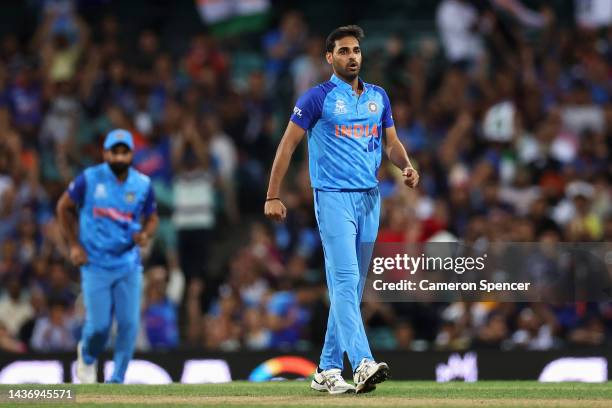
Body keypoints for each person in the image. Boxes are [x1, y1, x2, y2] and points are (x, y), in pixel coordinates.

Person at [264, 25, 419, 394]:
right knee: (347, 283)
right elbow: (286, 147)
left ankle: (327, 370)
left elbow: (391, 143)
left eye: (356, 51)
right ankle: (362, 363)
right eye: (344, 51)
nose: (352, 57)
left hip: (370, 198)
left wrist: (406, 166)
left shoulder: (378, 97)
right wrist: (273, 194)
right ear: (329, 58)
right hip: (333, 197)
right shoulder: (316, 98)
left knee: (348, 288)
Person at [56, 129, 158, 383]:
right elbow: (63, 207)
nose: (120, 157)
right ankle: (88, 355)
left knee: (128, 325)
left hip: (128, 263)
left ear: (132, 154)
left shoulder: (143, 184)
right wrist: (74, 246)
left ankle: (117, 380)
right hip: (95, 263)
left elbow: (152, 217)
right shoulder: (89, 179)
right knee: (99, 326)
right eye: (115, 151)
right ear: (105, 153)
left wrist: (145, 234)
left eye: (125, 152)